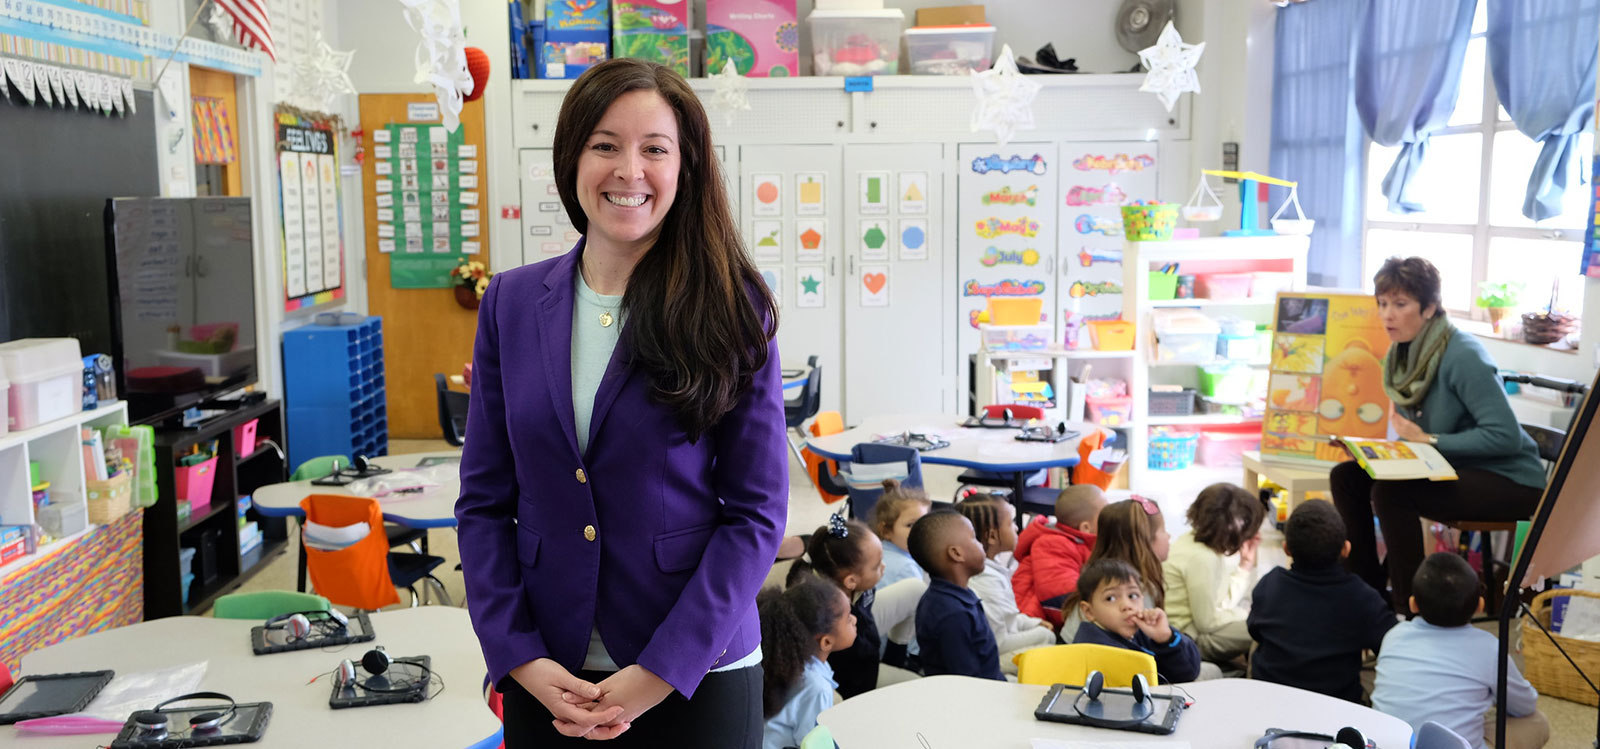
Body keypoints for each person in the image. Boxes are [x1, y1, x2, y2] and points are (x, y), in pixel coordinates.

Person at [455, 59, 787, 747]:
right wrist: (519, 654)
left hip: (696, 672)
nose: (628, 170)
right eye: (605, 144)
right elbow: (484, 504)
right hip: (549, 676)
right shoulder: (511, 304)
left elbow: (755, 515)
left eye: (654, 149)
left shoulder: (733, 306)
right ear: (573, 156)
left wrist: (658, 672)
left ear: (685, 166)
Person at [1331, 257, 1546, 612]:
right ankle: (1367, 597)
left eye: (1400, 305)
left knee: (1392, 492)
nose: (1387, 315)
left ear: (1429, 308)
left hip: (1510, 480)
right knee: (1347, 476)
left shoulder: (1463, 354)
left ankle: (1413, 610)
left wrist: (1428, 441)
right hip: (1449, 465)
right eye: (1383, 304)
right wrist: (1376, 453)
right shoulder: (1402, 355)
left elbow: (1505, 436)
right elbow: (1413, 438)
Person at [1372, 553, 1549, 749]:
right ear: (1479, 607)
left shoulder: (1393, 636)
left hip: (1388, 744)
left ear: (1413, 604)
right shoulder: (1488, 648)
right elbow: (1524, 706)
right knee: (1538, 723)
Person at [1248, 500, 1395, 703]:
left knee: (1259, 643)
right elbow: (1393, 645)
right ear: (1346, 549)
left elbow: (1254, 630)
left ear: (1286, 549)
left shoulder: (1269, 585)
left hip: (1271, 701)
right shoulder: (1362, 597)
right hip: (1335, 706)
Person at [788, 516, 918, 697]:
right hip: (849, 680)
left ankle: (897, 657)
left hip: (861, 638)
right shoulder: (826, 615)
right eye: (876, 566)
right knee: (918, 686)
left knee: (915, 588)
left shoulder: (852, 586)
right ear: (850, 581)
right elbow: (855, 665)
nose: (884, 566)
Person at [1163, 483, 1264, 664]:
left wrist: (1244, 566)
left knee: (1253, 620)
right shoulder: (1202, 558)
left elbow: (1219, 604)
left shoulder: (1195, 542)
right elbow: (1207, 623)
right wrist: (1242, 615)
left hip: (1193, 630)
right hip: (1188, 639)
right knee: (1262, 629)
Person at [956, 495, 1056, 674]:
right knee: (1048, 643)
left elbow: (1008, 617)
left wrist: (1033, 623)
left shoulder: (991, 570)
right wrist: (1042, 634)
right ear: (992, 536)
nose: (1017, 528)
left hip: (999, 643)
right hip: (987, 660)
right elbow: (998, 642)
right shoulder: (985, 580)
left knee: (1045, 637)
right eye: (1011, 523)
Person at [758, 578, 856, 749]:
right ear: (826, 642)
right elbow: (815, 744)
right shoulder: (817, 689)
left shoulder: (784, 660)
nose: (854, 620)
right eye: (848, 619)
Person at [1071, 559, 1201, 684]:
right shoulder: (1093, 647)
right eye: (1110, 598)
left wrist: (1165, 639)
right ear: (1089, 611)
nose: (1127, 605)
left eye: (1133, 596)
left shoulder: (1142, 631)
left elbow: (1189, 673)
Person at [910, 510, 1005, 681]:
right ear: (956, 554)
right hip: (982, 696)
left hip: (991, 681)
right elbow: (965, 680)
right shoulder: (953, 615)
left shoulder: (956, 596)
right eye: (974, 538)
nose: (981, 544)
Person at [1060, 496, 1171, 636]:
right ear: (1145, 541)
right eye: (1163, 530)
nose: (1168, 536)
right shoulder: (1136, 589)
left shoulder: (1096, 577)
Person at [1012, 484, 1107, 621]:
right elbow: (1058, 596)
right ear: (1086, 527)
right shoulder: (1052, 544)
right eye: (1104, 515)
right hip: (1033, 621)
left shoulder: (1079, 541)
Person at [870, 479, 932, 667]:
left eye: (924, 524)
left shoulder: (879, 549)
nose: (920, 532)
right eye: (911, 525)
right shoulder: (906, 567)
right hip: (885, 651)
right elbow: (913, 624)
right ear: (887, 531)